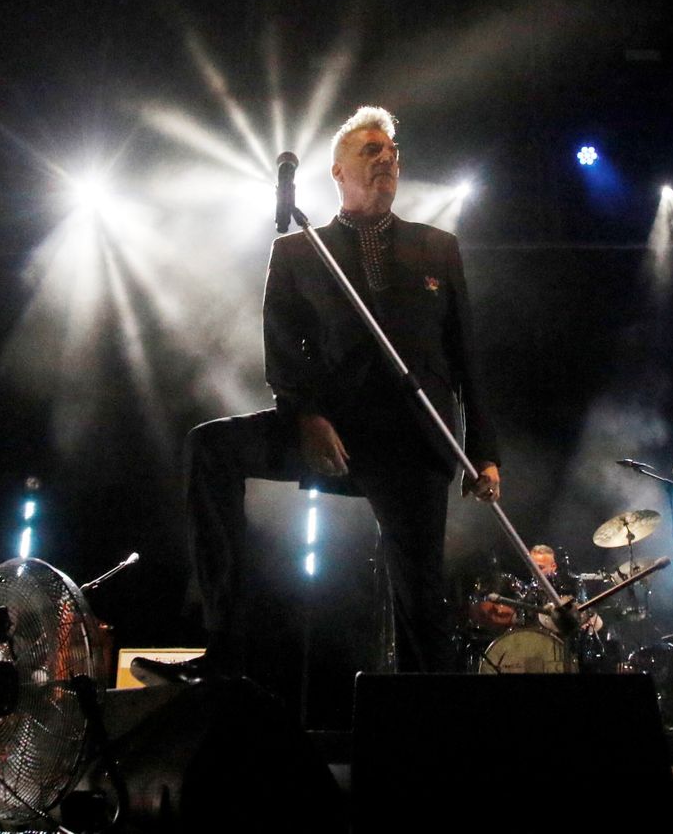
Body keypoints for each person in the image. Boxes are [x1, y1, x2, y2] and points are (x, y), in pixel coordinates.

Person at [140, 106, 501, 684]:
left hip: (413, 440)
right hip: (331, 428)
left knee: (419, 602)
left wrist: (484, 451)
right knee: (210, 448)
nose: (387, 158)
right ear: (337, 171)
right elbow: (282, 349)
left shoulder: (438, 248)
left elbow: (466, 357)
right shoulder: (298, 251)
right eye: (371, 150)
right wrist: (305, 413)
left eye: (392, 152)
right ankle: (223, 644)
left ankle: (429, 725)